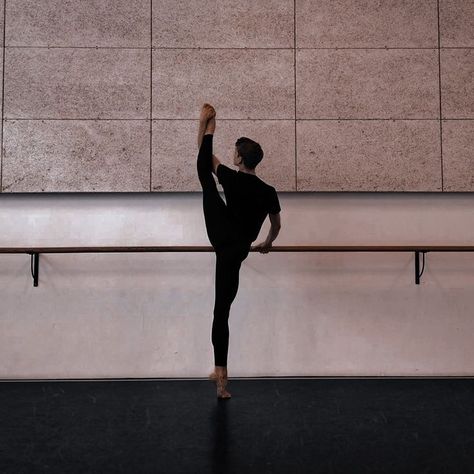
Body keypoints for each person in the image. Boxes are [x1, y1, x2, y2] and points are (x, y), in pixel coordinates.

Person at [197, 103, 281, 398]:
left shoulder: (232, 179)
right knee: (223, 310)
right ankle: (221, 379)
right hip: (239, 249)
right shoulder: (268, 191)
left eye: (234, 152)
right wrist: (267, 243)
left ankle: (206, 125)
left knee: (206, 181)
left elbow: (205, 160)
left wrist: (206, 129)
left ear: (239, 157)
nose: (232, 155)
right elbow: (276, 225)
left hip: (222, 236)